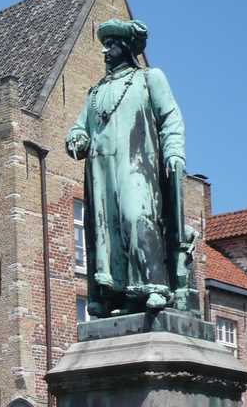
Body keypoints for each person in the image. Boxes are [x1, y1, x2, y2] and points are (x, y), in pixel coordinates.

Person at [65, 18, 187, 317]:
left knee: (136, 217)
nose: (105, 51)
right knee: (108, 230)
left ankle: (155, 285)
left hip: (137, 164)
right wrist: (77, 138)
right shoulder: (96, 93)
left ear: (126, 47)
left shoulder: (149, 78)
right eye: (104, 45)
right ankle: (119, 296)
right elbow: (80, 127)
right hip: (102, 170)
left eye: (111, 45)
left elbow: (170, 118)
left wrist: (174, 153)